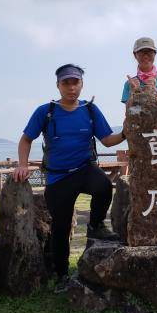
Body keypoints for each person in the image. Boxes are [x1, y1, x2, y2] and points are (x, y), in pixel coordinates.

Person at [14, 64, 126, 292]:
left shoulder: (90, 110)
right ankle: (62, 274)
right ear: (58, 85)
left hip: (84, 169)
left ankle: (95, 225)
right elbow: (26, 139)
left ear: (82, 84)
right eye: (66, 83)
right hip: (57, 179)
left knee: (104, 186)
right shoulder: (46, 111)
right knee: (61, 228)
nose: (71, 87)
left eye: (75, 82)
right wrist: (22, 165)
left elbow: (107, 140)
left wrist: (126, 132)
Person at [121, 37, 157, 104]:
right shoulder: (129, 84)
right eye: (141, 52)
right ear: (135, 55)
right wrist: (133, 93)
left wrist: (155, 92)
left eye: (149, 52)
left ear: (155, 54)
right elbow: (129, 112)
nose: (145, 56)